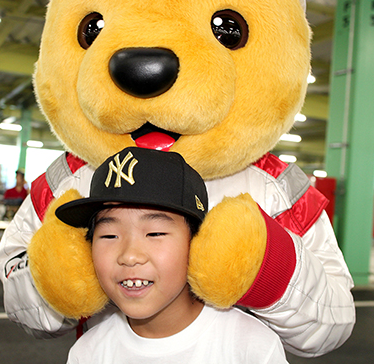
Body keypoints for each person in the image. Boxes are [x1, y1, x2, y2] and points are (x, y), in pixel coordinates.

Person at [55, 147, 287, 363]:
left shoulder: (251, 348)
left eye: (155, 233)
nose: (129, 256)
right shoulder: (88, 352)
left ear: (197, 243)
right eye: (109, 236)